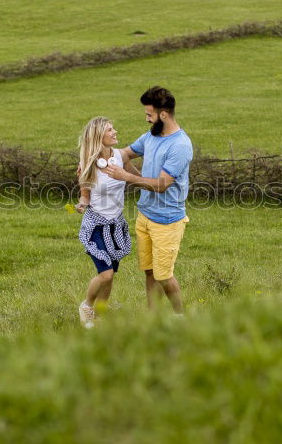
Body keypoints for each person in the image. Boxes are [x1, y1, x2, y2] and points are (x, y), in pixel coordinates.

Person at [101, 86, 193, 314]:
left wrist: (128, 177)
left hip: (167, 221)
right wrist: (93, 159)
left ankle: (181, 316)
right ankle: (154, 317)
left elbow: (162, 185)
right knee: (150, 271)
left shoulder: (179, 145)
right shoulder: (152, 135)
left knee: (164, 275)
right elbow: (123, 154)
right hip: (145, 216)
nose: (147, 119)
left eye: (149, 115)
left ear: (163, 114)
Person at [74, 117, 140, 328]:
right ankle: (87, 307)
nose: (115, 132)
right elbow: (85, 195)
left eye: (113, 128)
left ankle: (101, 314)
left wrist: (157, 185)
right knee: (106, 273)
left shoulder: (121, 156)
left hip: (116, 225)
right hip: (96, 225)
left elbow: (139, 179)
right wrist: (82, 204)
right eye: (110, 130)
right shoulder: (88, 164)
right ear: (98, 136)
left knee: (110, 276)